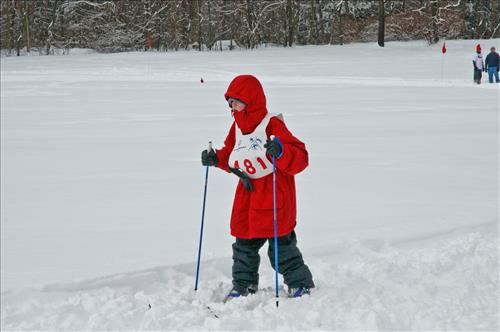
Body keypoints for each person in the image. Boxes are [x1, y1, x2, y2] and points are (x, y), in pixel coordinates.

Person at [201, 75, 314, 302]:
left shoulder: (272, 124)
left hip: (273, 193)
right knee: (243, 245)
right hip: (247, 195)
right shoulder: (237, 127)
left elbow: (300, 158)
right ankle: (244, 286)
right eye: (230, 101)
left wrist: (281, 151)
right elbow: (233, 155)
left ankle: (300, 283)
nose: (231, 106)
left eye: (236, 101)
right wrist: (216, 159)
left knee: (281, 247)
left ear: (250, 100)